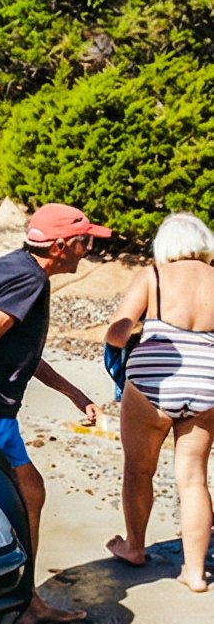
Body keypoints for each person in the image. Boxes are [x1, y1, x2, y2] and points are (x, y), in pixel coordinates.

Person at [0, 203, 111, 624]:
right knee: (24, 495)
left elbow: (18, 351)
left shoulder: (14, 267)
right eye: (85, 241)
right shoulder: (27, 280)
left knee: (24, 494)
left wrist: (73, 392)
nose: (88, 249)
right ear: (61, 246)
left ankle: (16, 596)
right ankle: (21, 601)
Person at [106, 214, 214, 590]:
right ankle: (196, 573)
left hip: (154, 381)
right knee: (194, 477)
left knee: (139, 469)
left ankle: (135, 547)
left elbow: (119, 330)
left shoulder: (154, 275)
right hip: (206, 382)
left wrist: (118, 345)